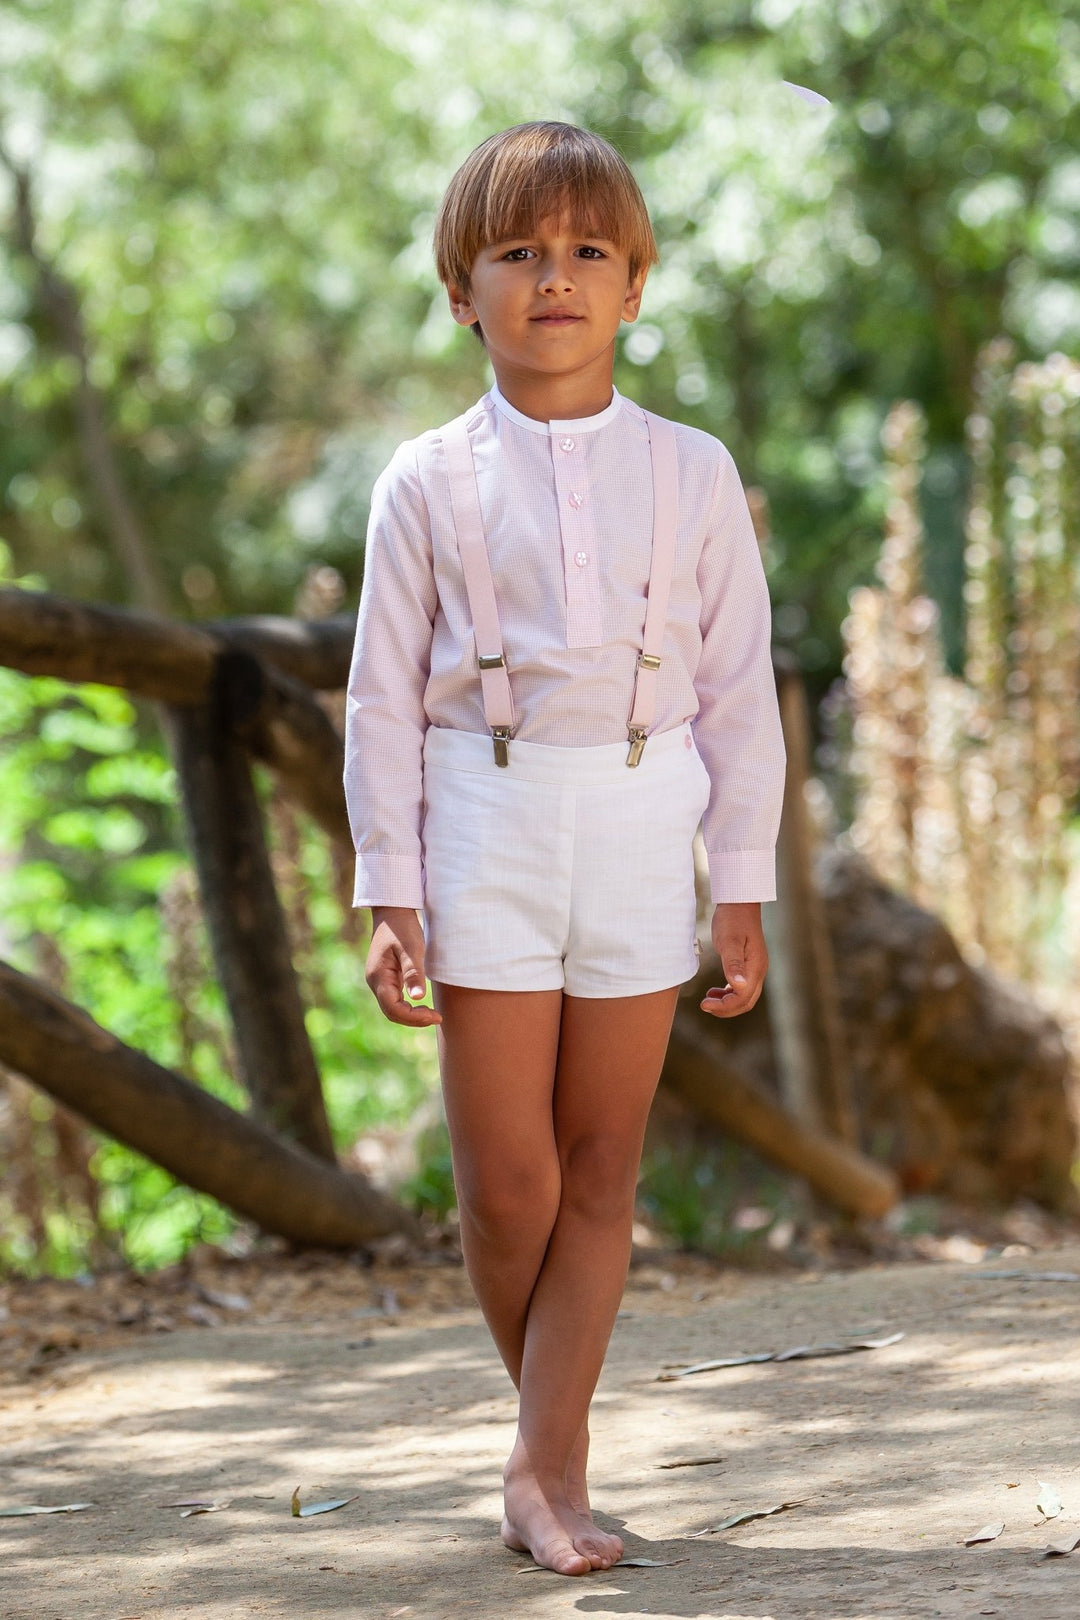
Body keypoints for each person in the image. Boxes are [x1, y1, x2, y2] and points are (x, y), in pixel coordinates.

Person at [343, 120, 786, 1577]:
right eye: (519, 252)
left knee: (603, 1168)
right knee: (507, 1188)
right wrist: (388, 887)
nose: (556, 278)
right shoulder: (424, 478)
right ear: (460, 289)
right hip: (485, 816)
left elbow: (738, 692)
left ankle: (549, 1466)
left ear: (636, 287)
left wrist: (744, 880)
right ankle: (548, 1442)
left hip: (647, 817)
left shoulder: (693, 470)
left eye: (590, 251)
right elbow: (381, 696)